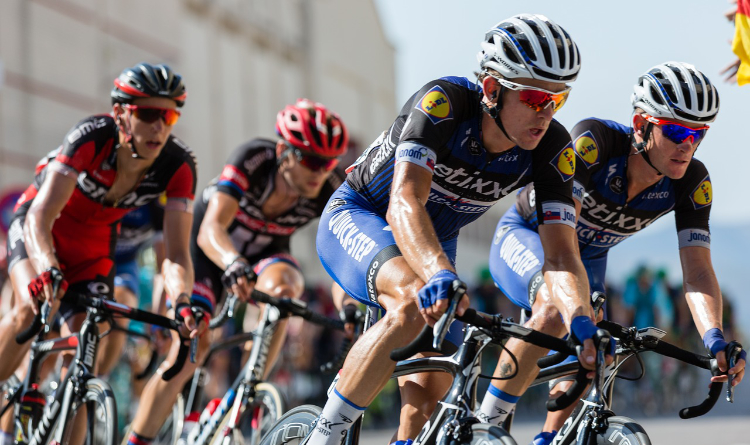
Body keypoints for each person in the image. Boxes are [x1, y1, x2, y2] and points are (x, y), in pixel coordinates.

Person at [312, 13, 602, 445]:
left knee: (431, 394)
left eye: (557, 100)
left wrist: (580, 319)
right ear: (492, 89)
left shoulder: (553, 147)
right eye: (535, 99)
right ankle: (323, 437)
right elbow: (404, 201)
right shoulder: (444, 104)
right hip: (364, 214)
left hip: (434, 240)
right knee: (411, 302)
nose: (546, 113)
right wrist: (439, 273)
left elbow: (561, 256)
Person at [480, 61, 746, 445]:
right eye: (675, 131)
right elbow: (560, 245)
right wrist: (579, 303)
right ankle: (486, 424)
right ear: (640, 125)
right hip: (531, 237)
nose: (687, 144)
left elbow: (699, 273)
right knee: (557, 308)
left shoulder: (692, 181)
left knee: (594, 355)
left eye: (699, 133)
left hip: (587, 261)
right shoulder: (595, 143)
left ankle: (549, 438)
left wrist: (715, 339)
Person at [126, 98, 350, 444]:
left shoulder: (328, 186)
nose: (319, 172)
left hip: (265, 254)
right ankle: (137, 439)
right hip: (209, 252)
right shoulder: (253, 159)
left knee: (286, 290)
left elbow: (343, 255)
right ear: (283, 152)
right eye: (310, 160)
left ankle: (248, 387)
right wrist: (232, 262)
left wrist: (348, 304)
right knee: (190, 349)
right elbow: (210, 229)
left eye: (328, 163)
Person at [0, 62, 200, 445]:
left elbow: (176, 254)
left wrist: (182, 302)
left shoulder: (178, 165)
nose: (159, 127)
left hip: (92, 249)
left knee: (85, 352)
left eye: (170, 116)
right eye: (148, 114)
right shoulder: (91, 137)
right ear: (121, 113)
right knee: (29, 307)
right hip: (41, 232)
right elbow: (40, 217)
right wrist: (47, 267)